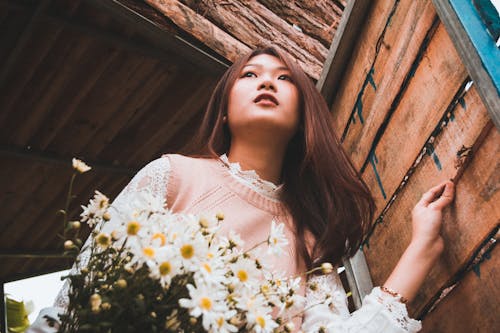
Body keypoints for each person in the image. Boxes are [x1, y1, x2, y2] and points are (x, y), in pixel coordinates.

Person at [28, 46, 454, 332]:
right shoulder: (171, 176)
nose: (266, 82)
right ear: (225, 111)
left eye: (285, 78)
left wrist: (420, 251)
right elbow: (72, 304)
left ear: (305, 118)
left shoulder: (309, 242)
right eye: (250, 74)